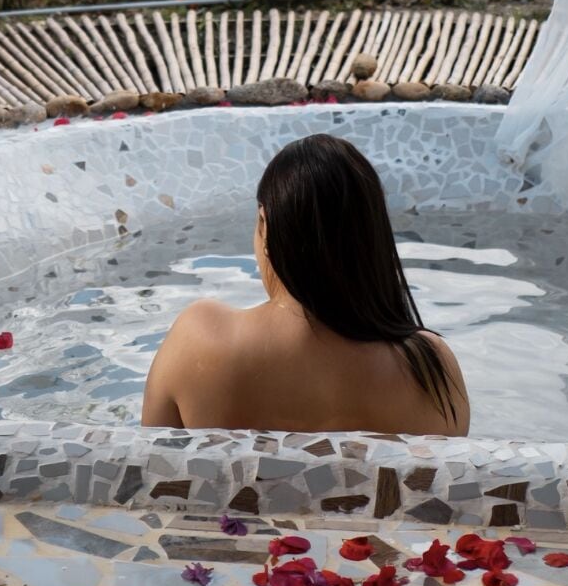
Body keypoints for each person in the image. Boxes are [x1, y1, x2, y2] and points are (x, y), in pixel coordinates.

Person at [141, 133, 469, 434]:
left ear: (264, 224)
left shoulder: (199, 338)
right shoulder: (433, 370)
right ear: (373, 236)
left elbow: (143, 476)